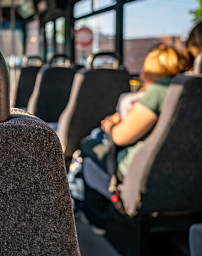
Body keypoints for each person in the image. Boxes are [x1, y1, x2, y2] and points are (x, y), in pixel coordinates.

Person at [74, 44, 188, 231]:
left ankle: (96, 218)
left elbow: (120, 137)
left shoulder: (160, 90)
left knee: (88, 146)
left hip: (137, 167)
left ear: (148, 70)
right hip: (177, 170)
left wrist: (110, 125)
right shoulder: (188, 89)